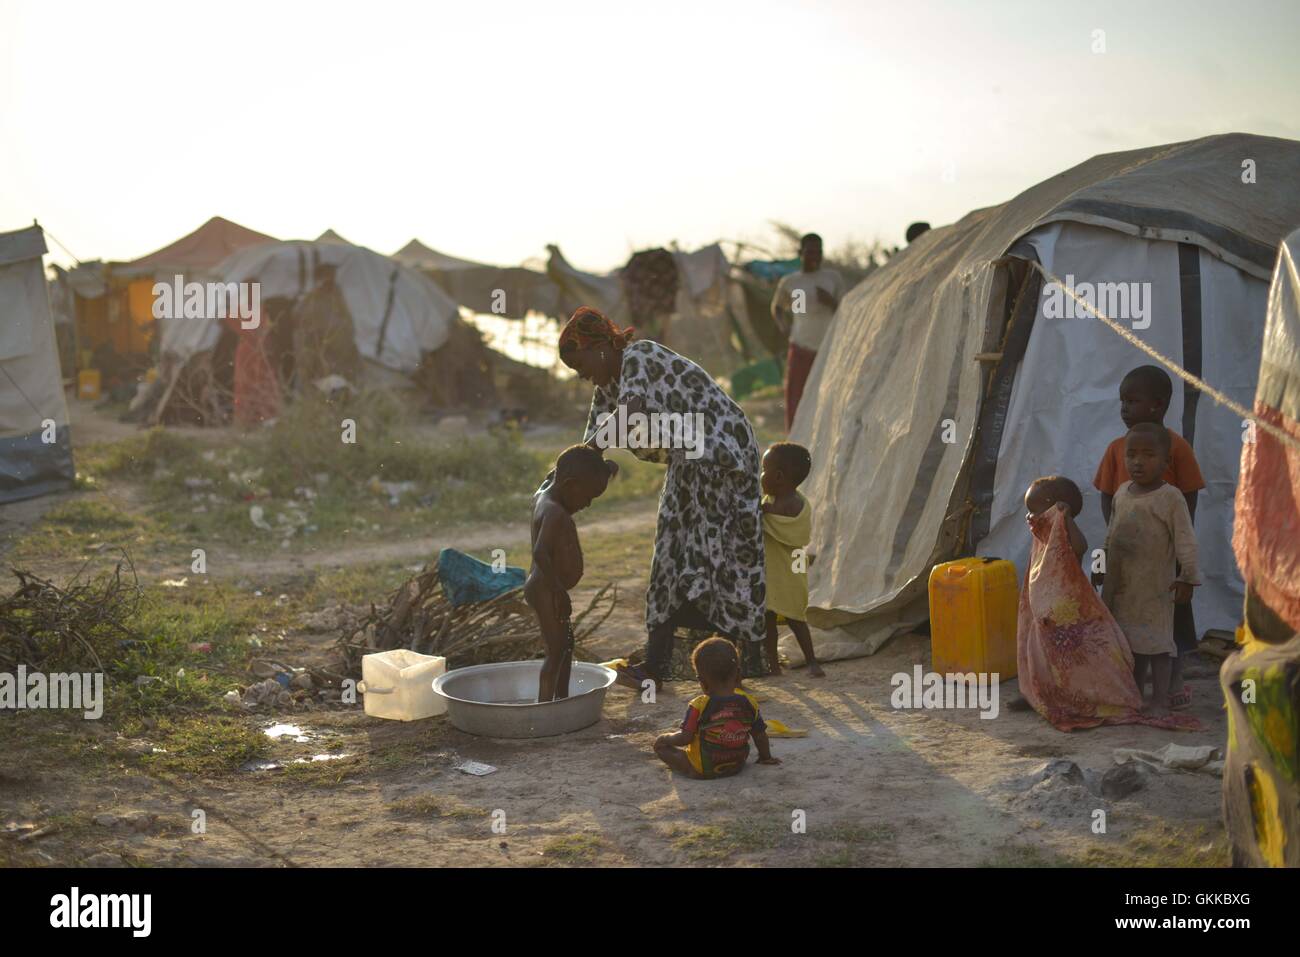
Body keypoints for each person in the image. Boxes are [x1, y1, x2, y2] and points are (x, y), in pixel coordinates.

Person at [554, 306, 767, 692]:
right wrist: (557, 484)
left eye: (581, 364)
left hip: (722, 455)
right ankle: (658, 665)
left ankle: (724, 666)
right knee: (670, 555)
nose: (582, 376)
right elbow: (589, 448)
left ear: (599, 346)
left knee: (714, 555)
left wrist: (584, 462)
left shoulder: (639, 356)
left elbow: (629, 414)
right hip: (689, 458)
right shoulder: (607, 386)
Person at [1016, 473, 1199, 731]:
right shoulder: (1043, 532)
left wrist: (1065, 519)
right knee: (1048, 661)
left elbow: (1080, 547)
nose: (1030, 517)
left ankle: (1137, 698)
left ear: (1053, 505)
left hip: (1073, 611)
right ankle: (1047, 694)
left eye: (1033, 510)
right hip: (1047, 616)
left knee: (1144, 646)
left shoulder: (1064, 528)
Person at [1093, 365, 1205, 707]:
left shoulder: (1177, 447)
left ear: (1157, 405)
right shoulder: (1117, 448)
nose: (1124, 408)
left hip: (1164, 559)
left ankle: (1174, 682)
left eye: (1132, 400)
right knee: (1127, 616)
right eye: (1122, 401)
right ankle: (1132, 684)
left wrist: (1177, 547)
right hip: (1128, 557)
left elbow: (1188, 496)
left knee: (1173, 619)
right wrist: (1116, 544)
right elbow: (1108, 496)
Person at [525, 445, 616, 702]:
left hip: (546, 586)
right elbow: (541, 553)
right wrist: (559, 592)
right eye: (587, 497)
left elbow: (568, 463)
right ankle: (544, 709)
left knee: (566, 646)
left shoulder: (544, 491)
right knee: (556, 652)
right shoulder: (554, 512)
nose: (587, 504)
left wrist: (602, 451)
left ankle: (561, 700)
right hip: (545, 589)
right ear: (570, 484)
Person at [653, 637, 779, 779]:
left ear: (703, 683)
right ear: (738, 676)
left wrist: (665, 737)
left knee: (661, 747)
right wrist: (765, 757)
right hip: (737, 765)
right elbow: (760, 735)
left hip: (703, 769)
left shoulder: (698, 705)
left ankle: (686, 764)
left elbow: (685, 738)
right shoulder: (750, 702)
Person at [760, 441, 823, 677]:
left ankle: (812, 660)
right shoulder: (772, 502)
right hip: (775, 570)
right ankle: (773, 664)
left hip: (792, 567)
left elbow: (797, 531)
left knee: (796, 616)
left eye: (764, 470)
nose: (760, 475)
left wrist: (766, 515)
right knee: (768, 618)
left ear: (778, 476)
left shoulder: (792, 504)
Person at [770, 234, 844, 431]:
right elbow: (778, 308)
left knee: (828, 400)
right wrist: (783, 326)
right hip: (801, 347)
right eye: (810, 251)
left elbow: (846, 311)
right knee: (797, 401)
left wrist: (831, 302)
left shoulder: (831, 278)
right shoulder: (793, 282)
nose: (815, 256)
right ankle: (796, 444)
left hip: (828, 349)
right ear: (800, 253)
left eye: (819, 252)